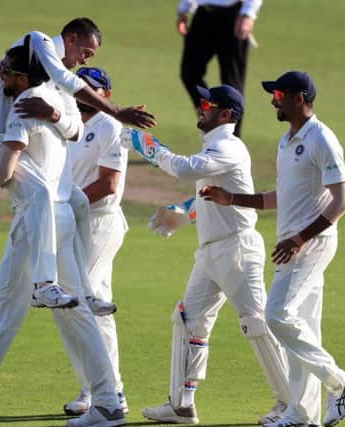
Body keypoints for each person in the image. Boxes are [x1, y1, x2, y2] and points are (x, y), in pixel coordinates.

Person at [0, 44, 126, 427]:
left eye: (8, 74)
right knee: (79, 313)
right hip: (62, 215)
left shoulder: (25, 104)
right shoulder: (57, 97)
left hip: (36, 222)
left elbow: (2, 172)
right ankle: (109, 403)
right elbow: (75, 128)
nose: (2, 79)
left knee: (2, 314)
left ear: (24, 77)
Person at [121, 85, 290, 424]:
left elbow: (183, 169)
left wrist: (146, 144)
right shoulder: (214, 146)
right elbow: (211, 195)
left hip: (237, 249)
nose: (199, 108)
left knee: (256, 324)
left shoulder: (228, 147)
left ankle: (292, 403)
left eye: (206, 104)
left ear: (225, 114)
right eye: (200, 102)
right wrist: (182, 212)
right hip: (212, 252)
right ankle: (181, 405)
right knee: (187, 319)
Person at [0, 18, 155, 314]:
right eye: (86, 51)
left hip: (4, 141)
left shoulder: (54, 78)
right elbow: (65, 81)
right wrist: (117, 112)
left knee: (77, 200)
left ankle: (86, 290)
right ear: (71, 38)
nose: (84, 59)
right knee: (40, 193)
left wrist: (54, 114)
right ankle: (42, 286)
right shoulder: (38, 41)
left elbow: (76, 129)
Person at [200, 71, 345, 427]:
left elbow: (342, 201)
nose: (273, 100)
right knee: (303, 328)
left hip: (311, 245)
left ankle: (341, 382)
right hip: (293, 244)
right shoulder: (288, 141)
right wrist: (232, 199)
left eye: (279, 94)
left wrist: (301, 237)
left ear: (299, 98)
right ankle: (301, 414)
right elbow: (279, 197)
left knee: (277, 316)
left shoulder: (321, 138)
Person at [63, 66, 129, 416]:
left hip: (101, 224)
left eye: (88, 90)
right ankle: (100, 388)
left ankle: (109, 393)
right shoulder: (71, 125)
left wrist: (68, 204)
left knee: (78, 303)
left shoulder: (110, 126)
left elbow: (109, 184)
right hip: (74, 223)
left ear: (103, 93)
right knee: (93, 306)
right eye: (78, 88)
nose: (80, 95)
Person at [177, 0, 262, 136]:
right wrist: (184, 9)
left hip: (234, 15)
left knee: (232, 84)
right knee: (189, 73)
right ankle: (211, 120)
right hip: (203, 13)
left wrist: (248, 14)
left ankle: (232, 143)